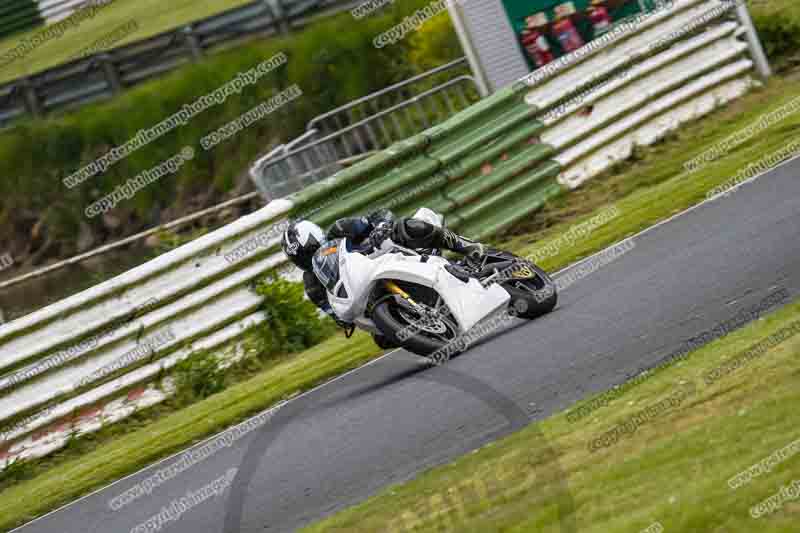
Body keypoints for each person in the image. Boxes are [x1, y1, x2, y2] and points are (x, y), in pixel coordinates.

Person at [280, 208, 486, 348]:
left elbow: (381, 214)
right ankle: (426, 320)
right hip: (365, 293)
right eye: (300, 258)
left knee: (405, 226)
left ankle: (467, 247)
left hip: (388, 255)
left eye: (307, 251)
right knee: (382, 340)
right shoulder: (312, 284)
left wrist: (380, 227)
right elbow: (331, 311)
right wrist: (341, 318)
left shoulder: (340, 229)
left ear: (316, 238)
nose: (307, 259)